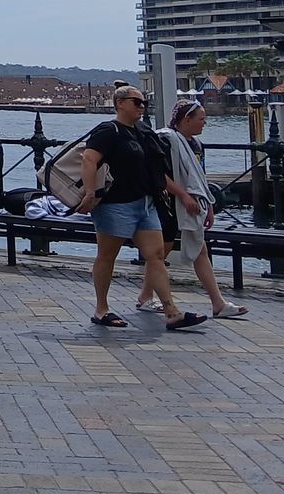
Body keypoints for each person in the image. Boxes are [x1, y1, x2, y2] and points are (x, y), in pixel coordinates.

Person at [75, 85, 206, 332]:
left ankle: (171, 311)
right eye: (136, 102)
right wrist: (90, 192)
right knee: (107, 255)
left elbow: (157, 165)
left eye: (144, 103)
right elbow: (89, 159)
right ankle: (101, 308)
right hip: (116, 203)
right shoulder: (108, 131)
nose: (141, 107)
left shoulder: (143, 132)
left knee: (155, 255)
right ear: (120, 103)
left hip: (145, 202)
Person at [138, 101, 248, 319]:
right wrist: (183, 195)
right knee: (161, 252)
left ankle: (217, 302)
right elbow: (159, 174)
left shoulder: (196, 145)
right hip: (169, 203)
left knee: (200, 248)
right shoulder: (166, 140)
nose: (204, 122)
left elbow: (199, 176)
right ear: (186, 119)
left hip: (193, 204)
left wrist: (207, 205)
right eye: (201, 118)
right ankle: (145, 296)